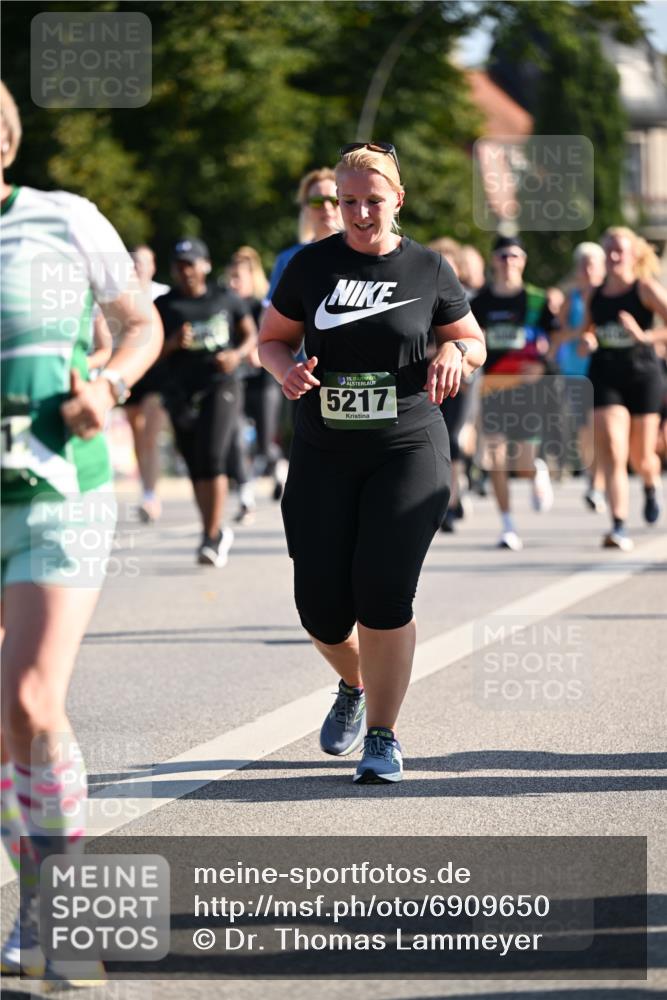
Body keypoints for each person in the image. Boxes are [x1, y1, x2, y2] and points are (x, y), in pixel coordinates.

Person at [0, 80, 162, 986]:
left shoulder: (63, 220)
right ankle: (37, 899)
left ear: (6, 141)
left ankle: (64, 913)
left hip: (57, 486)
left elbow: (141, 325)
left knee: (28, 698)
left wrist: (107, 386)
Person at [259, 142, 485, 783]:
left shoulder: (430, 269)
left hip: (408, 446)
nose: (360, 213)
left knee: (384, 592)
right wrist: (287, 370)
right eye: (348, 201)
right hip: (324, 450)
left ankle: (383, 736)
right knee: (321, 609)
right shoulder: (309, 267)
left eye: (372, 201)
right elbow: (270, 342)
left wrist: (455, 355)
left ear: (398, 201)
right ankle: (355, 686)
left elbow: (472, 339)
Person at [157, 237, 257, 566]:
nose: (186, 271)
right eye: (180, 265)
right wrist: (172, 343)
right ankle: (211, 530)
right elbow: (149, 348)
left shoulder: (224, 298)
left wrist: (236, 356)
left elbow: (250, 333)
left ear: (206, 265)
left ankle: (211, 535)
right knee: (195, 463)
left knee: (213, 455)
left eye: (192, 264)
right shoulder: (165, 306)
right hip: (181, 391)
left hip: (221, 385)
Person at [580, 226, 667, 550]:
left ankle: (649, 482)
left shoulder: (644, 289)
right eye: (610, 250)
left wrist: (645, 337)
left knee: (641, 456)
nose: (614, 256)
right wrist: (586, 339)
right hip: (605, 374)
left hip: (643, 375)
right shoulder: (596, 294)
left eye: (620, 250)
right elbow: (585, 329)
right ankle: (618, 525)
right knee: (614, 450)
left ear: (633, 255)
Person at [472, 234, 559, 551]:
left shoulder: (536, 300)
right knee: (494, 457)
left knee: (522, 461)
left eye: (515, 256)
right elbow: (467, 337)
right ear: (493, 261)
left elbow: (557, 338)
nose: (508, 262)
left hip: (527, 390)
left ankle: (536, 470)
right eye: (503, 256)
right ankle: (507, 525)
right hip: (493, 386)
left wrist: (543, 366)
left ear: (523, 261)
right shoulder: (480, 302)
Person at [549, 242, 607, 510]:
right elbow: (557, 334)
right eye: (582, 263)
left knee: (602, 427)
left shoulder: (609, 295)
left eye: (592, 263)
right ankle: (593, 480)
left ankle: (600, 479)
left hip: (604, 368)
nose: (587, 268)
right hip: (574, 370)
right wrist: (578, 335)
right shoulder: (570, 297)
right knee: (585, 428)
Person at [123, 245, 171, 523]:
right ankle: (145, 488)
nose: (137, 266)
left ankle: (151, 495)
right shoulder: (118, 293)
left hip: (157, 373)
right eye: (132, 262)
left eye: (143, 262)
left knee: (151, 435)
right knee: (137, 435)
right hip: (130, 371)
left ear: (152, 266)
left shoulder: (161, 294)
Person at [225, 247, 272, 523]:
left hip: (262, 381)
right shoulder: (227, 305)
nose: (233, 283)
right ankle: (246, 498)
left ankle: (278, 469)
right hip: (236, 382)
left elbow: (270, 335)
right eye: (230, 277)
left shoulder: (261, 305)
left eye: (238, 277)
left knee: (265, 446)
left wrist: (259, 351)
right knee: (236, 437)